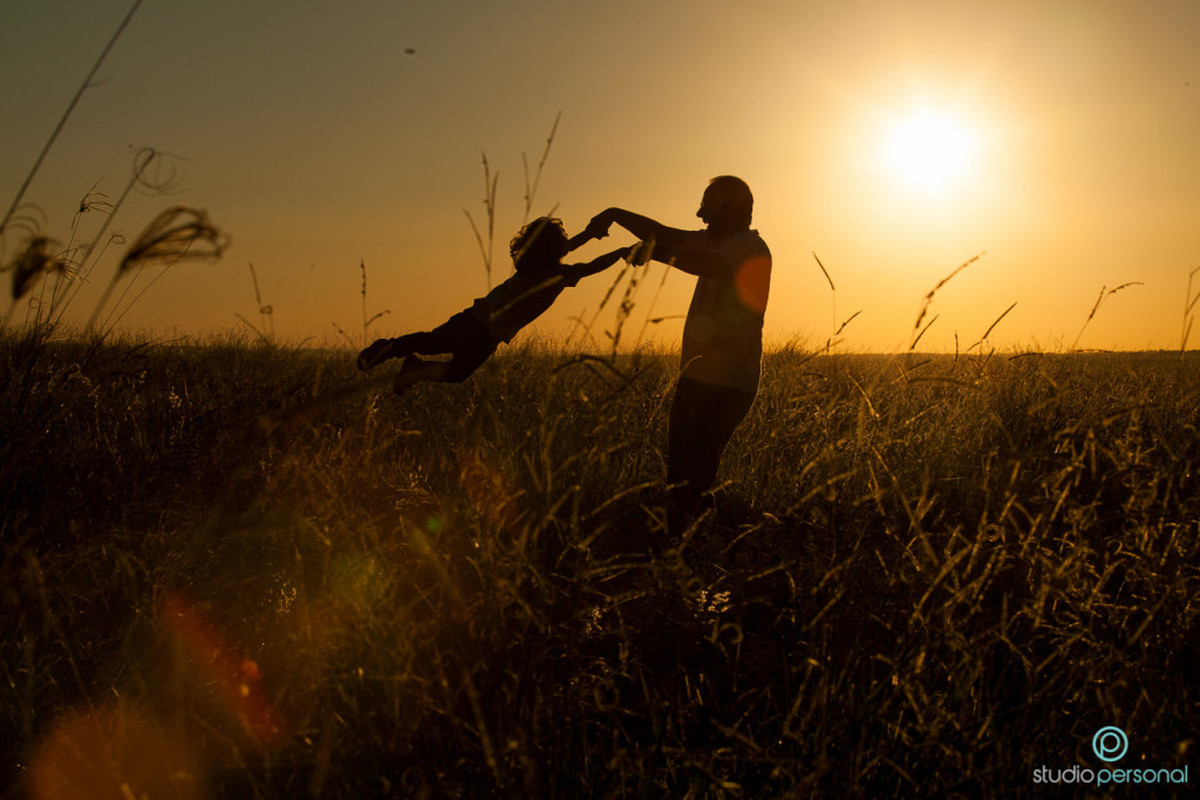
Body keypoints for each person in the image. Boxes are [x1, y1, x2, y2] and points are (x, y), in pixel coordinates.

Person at [586, 176, 771, 518]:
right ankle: (699, 531)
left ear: (731, 210)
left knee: (689, 478)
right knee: (679, 480)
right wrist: (615, 214)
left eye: (708, 206)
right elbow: (665, 234)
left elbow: (704, 265)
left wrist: (655, 253)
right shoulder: (716, 242)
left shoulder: (748, 248)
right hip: (697, 376)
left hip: (728, 384)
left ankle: (694, 546)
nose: (700, 215)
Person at [357, 217, 631, 391]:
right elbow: (590, 267)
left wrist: (588, 234)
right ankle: (415, 370)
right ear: (555, 250)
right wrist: (620, 253)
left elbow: (568, 249)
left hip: (471, 317)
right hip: (487, 334)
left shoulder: (531, 266)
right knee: (456, 373)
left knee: (429, 341)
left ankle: (384, 350)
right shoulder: (556, 275)